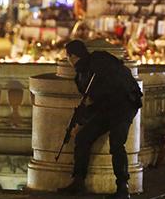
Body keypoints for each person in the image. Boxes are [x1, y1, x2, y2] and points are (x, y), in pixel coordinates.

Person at [58, 40, 142, 199]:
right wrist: (81, 122)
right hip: (107, 108)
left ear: (72, 56)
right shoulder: (81, 76)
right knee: (83, 138)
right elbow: (94, 103)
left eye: (67, 56)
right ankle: (78, 181)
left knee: (117, 143)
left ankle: (123, 188)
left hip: (125, 104)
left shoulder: (99, 60)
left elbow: (117, 80)